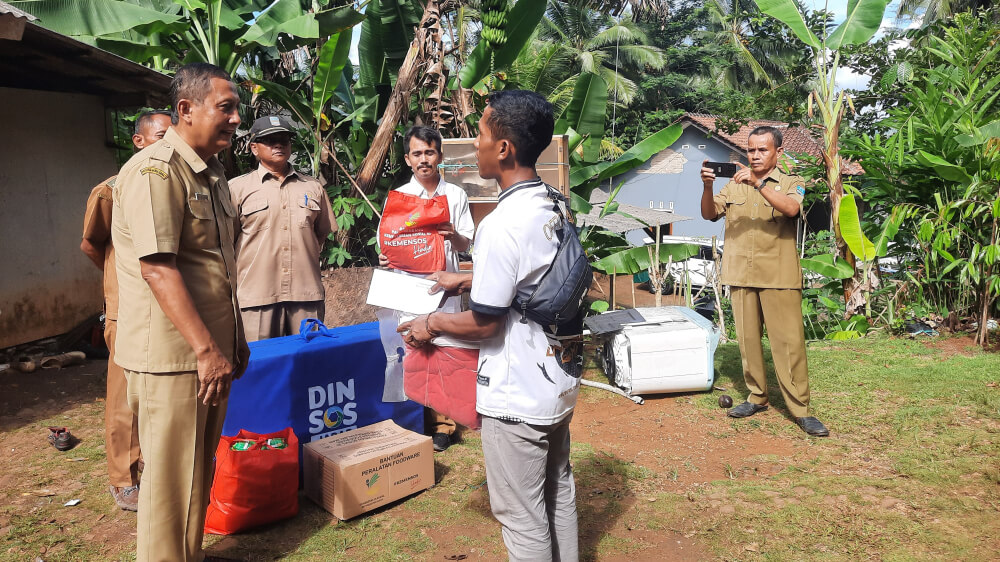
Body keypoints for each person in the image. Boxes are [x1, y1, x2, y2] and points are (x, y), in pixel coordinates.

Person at [400, 91, 580, 560]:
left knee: (521, 516)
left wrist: (431, 323)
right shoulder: (552, 204)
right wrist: (465, 275)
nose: (474, 145)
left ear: (503, 148)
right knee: (557, 490)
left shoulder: (500, 225)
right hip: (556, 380)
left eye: (480, 134)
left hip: (517, 392)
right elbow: (530, 278)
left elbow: (484, 325)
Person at [111, 62, 250, 561]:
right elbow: (158, 270)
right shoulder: (155, 171)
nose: (236, 118)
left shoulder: (210, 174)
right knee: (170, 488)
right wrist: (207, 348)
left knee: (196, 475)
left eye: (237, 107)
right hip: (174, 357)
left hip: (205, 355)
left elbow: (215, 270)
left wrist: (232, 340)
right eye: (225, 107)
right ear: (186, 109)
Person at [699, 126, 829, 437]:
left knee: (788, 345)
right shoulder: (734, 185)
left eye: (762, 150)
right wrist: (707, 187)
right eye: (751, 150)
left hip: (779, 276)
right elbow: (708, 214)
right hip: (741, 273)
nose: (755, 156)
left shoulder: (792, 183)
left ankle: (800, 409)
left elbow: (791, 208)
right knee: (748, 343)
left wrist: (758, 184)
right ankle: (757, 397)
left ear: (778, 153)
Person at [80, 110, 171, 512]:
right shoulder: (111, 190)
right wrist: (123, 279)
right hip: (128, 309)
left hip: (169, 306)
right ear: (139, 141)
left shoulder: (177, 185)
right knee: (124, 398)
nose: (169, 145)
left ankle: (155, 463)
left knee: (162, 393)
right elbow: (91, 243)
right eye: (161, 137)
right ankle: (123, 477)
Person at [379, 125, 475, 452]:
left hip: (445, 287)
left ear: (440, 157)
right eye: (417, 153)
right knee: (412, 349)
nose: (424, 160)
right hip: (409, 287)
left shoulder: (456, 196)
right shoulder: (400, 199)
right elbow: (389, 243)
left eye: (430, 153)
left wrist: (452, 234)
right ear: (408, 159)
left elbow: (468, 243)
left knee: (444, 351)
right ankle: (414, 418)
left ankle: (444, 425)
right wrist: (386, 255)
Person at [228, 115, 336, 341]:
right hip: (256, 298)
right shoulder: (237, 189)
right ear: (254, 148)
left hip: (305, 296)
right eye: (270, 140)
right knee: (260, 367)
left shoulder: (313, 187)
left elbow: (321, 233)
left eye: (284, 140)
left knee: (309, 364)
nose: (279, 145)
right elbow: (227, 239)